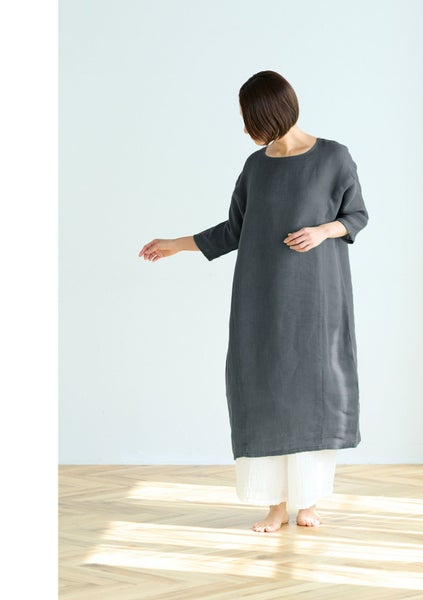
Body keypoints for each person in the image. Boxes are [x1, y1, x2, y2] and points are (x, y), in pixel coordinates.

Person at [138, 70, 369, 533]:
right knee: (265, 391)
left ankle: (308, 501)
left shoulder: (334, 157)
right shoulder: (255, 167)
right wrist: (175, 245)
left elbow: (357, 215)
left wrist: (323, 230)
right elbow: (234, 230)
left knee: (314, 392)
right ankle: (276, 505)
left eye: (251, 120)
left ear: (272, 113)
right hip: (261, 298)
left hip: (316, 299)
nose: (246, 130)